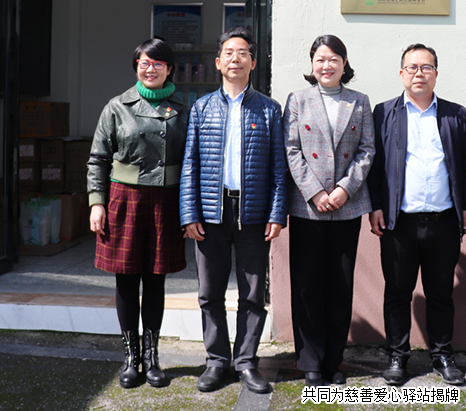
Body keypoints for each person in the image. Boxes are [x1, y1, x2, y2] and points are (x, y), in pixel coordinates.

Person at [179, 27, 288, 394]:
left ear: (253, 63)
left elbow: (278, 169)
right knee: (209, 292)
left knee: (253, 293)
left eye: (243, 53)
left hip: (253, 212)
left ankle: (246, 361)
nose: (235, 59)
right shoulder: (202, 108)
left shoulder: (269, 109)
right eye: (229, 53)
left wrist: (277, 213)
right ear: (218, 62)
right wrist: (189, 213)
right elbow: (190, 164)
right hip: (211, 211)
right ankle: (216, 360)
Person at [368, 43, 466, 386]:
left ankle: (442, 355)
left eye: (426, 67)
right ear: (402, 73)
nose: (419, 73)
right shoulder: (384, 112)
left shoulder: (455, 115)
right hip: (399, 222)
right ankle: (397, 356)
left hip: (444, 221)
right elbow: (375, 165)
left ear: (436, 73)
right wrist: (376, 206)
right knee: (397, 293)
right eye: (412, 67)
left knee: (441, 294)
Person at [87, 38, 188, 389]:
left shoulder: (183, 108)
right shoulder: (117, 106)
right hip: (124, 199)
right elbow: (98, 158)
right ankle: (132, 358)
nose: (150, 69)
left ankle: (153, 356)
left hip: (166, 201)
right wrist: (96, 202)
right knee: (127, 279)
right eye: (144, 63)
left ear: (169, 68)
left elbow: (192, 160)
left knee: (156, 279)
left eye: (158, 63)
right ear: (136, 67)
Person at [283, 34, 375, 387]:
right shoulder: (298, 100)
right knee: (306, 285)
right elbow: (292, 149)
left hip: (346, 207)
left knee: (340, 285)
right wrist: (316, 191)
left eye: (334, 59)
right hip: (307, 207)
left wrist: (343, 189)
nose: (327, 65)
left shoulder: (359, 101)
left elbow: (367, 150)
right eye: (320, 59)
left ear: (344, 64)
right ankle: (309, 361)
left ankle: (334, 361)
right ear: (312, 64)